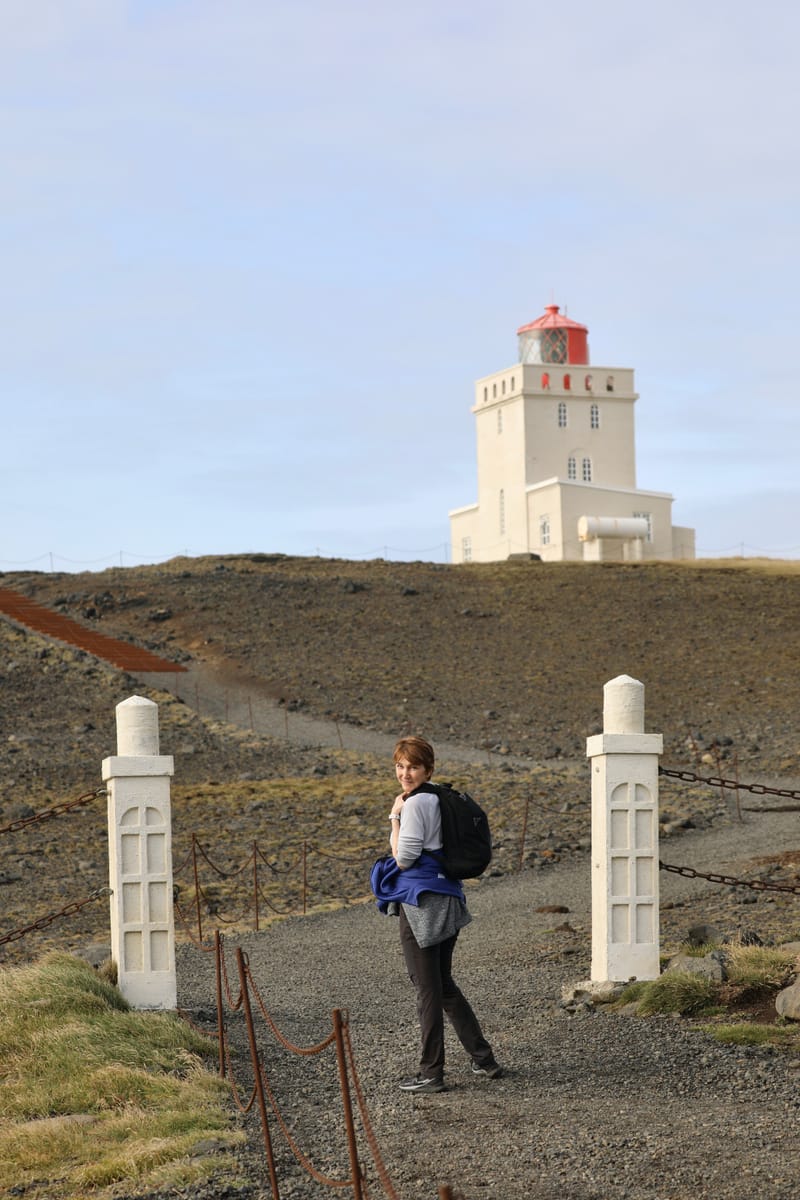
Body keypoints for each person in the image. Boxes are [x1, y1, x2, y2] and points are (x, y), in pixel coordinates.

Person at [371, 735, 502, 1093]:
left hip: (421, 903)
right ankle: (483, 1059)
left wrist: (395, 817)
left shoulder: (414, 805)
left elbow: (404, 858)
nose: (405, 773)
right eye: (400, 765)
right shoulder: (438, 798)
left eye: (413, 766)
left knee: (427, 988)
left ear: (428, 768)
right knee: (442, 985)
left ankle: (431, 1072)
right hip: (446, 896)